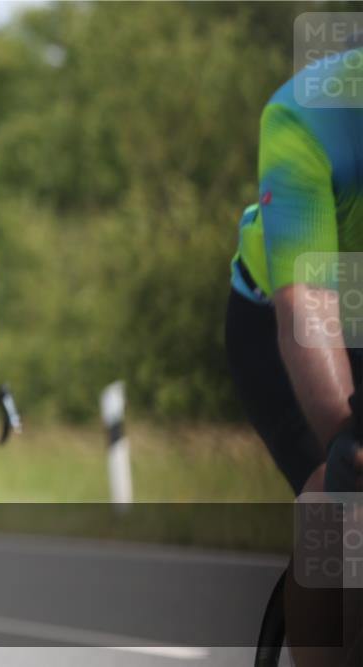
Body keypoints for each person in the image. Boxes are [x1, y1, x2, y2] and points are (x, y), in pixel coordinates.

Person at [225, 46, 362, 665]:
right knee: (335, 499)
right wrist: (346, 440)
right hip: (290, 310)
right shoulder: (308, 114)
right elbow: (307, 301)